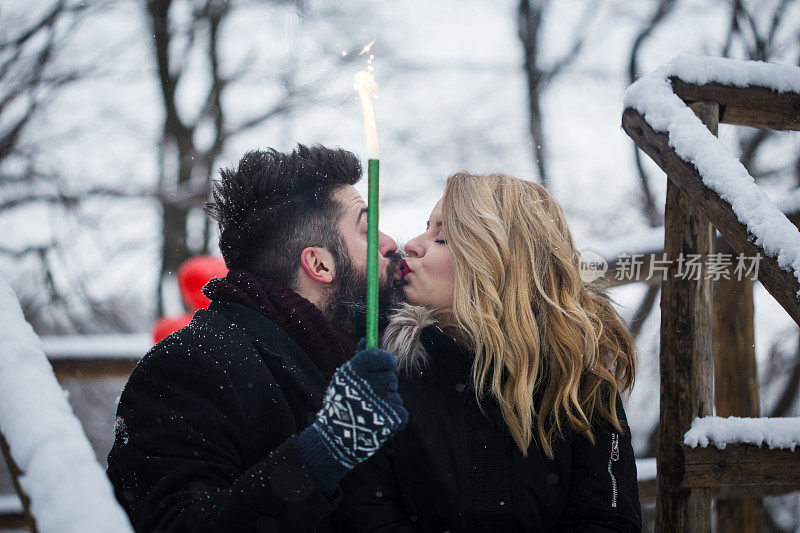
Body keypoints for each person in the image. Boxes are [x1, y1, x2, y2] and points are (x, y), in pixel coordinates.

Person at [107, 144, 409, 532]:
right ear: (319, 263)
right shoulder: (190, 366)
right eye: (367, 228)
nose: (390, 242)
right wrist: (325, 449)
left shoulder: (379, 356)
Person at [335, 172, 642, 531]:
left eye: (443, 238)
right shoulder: (383, 371)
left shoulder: (578, 374)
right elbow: (368, 519)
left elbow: (607, 520)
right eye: (427, 228)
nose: (413, 245)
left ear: (501, 264)